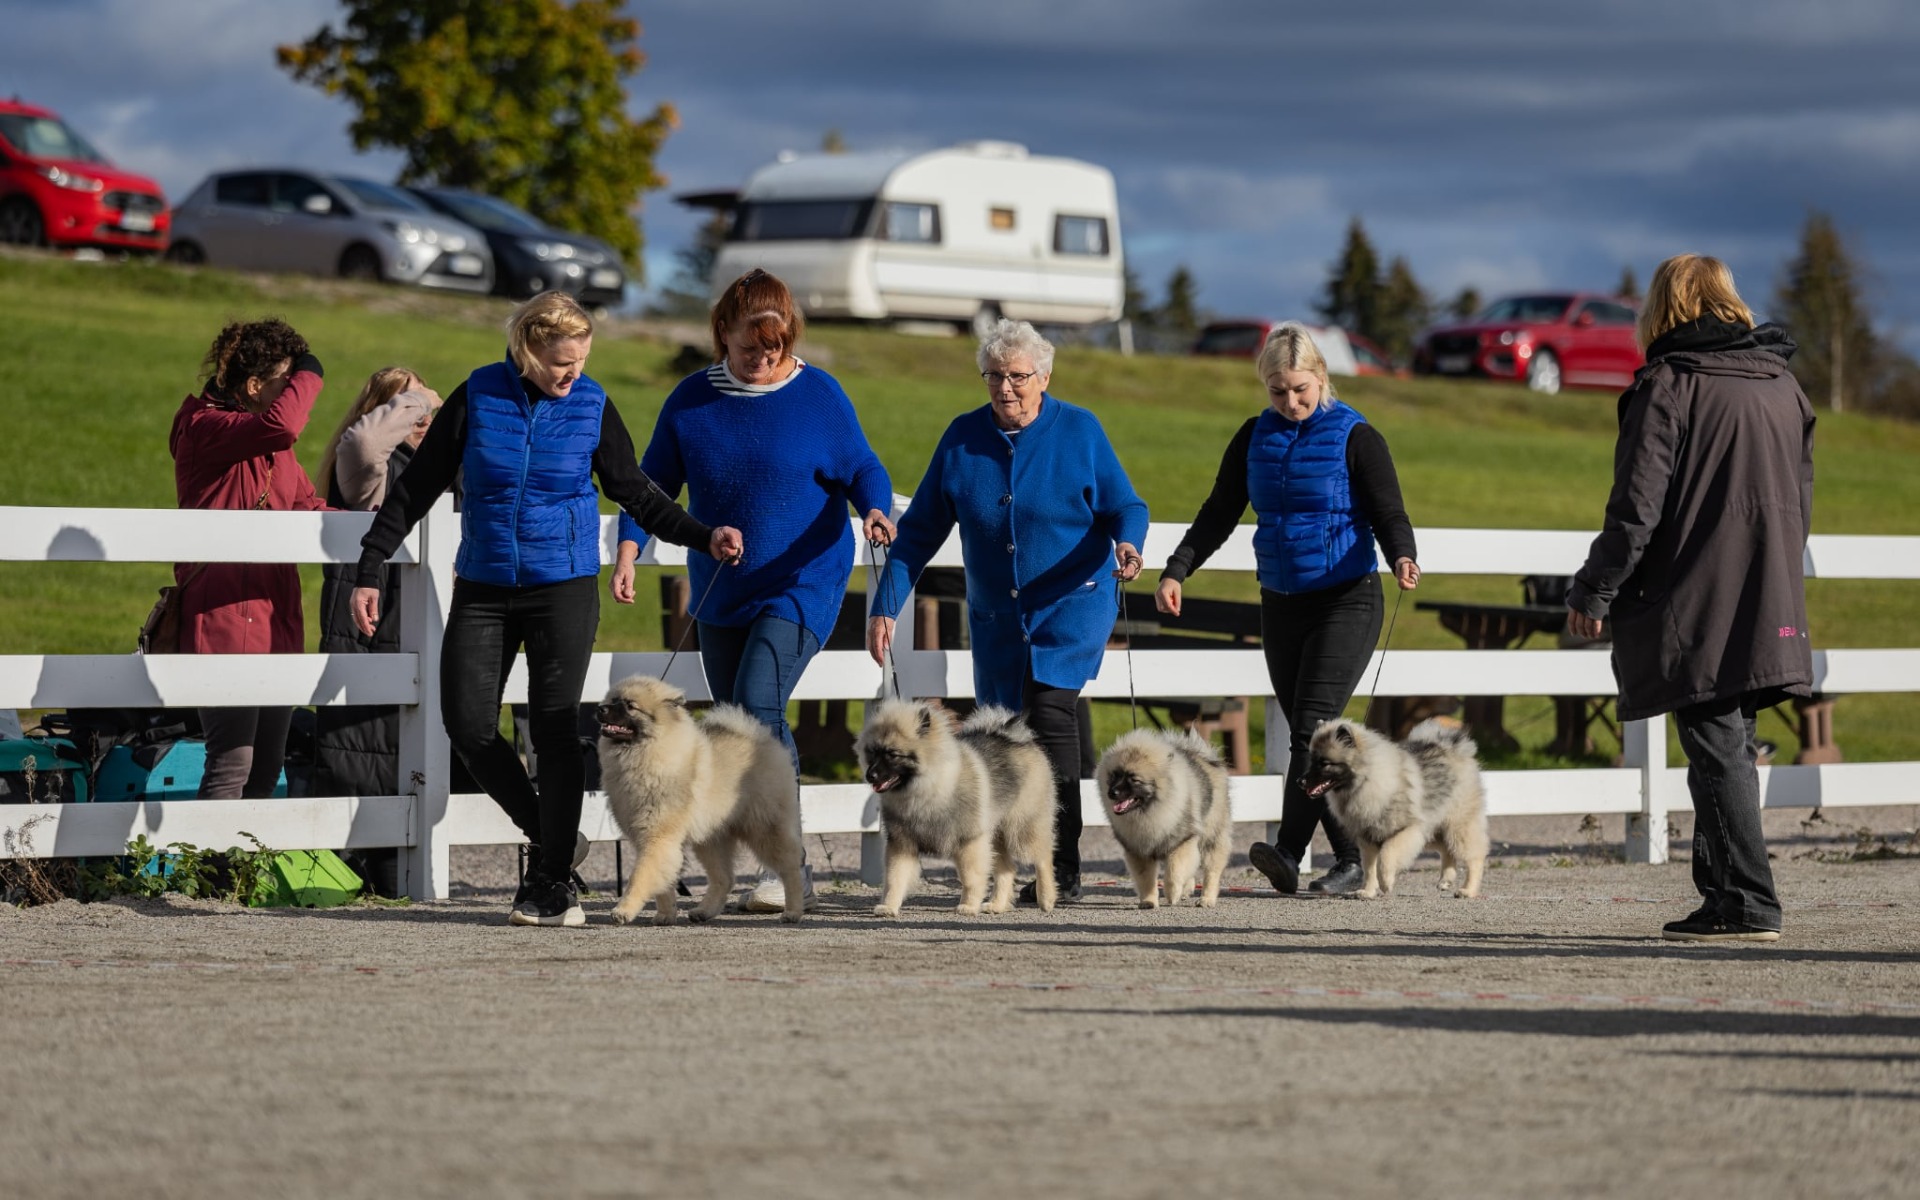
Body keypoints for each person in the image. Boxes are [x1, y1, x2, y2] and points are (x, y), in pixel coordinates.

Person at [351, 292, 744, 928]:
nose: (574, 374)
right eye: (563, 362)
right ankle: (554, 837)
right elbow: (416, 488)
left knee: (555, 730)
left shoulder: (591, 406)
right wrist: (370, 569)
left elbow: (636, 492)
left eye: (583, 360)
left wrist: (704, 535)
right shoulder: (478, 395)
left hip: (562, 586)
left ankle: (550, 881)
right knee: (469, 725)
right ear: (528, 351)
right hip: (483, 585)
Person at [612, 268, 894, 913]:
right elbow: (647, 487)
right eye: (750, 350)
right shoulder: (691, 401)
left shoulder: (818, 393)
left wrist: (875, 507)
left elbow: (863, 467)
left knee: (759, 707)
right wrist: (629, 551)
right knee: (731, 721)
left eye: (777, 349)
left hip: (804, 579)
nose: (765, 362)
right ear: (721, 336)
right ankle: (735, 865)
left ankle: (787, 868)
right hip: (720, 586)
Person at [1566, 254, 1813, 943]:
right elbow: (1802, 498)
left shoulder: (1671, 385)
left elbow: (1636, 506)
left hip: (1697, 589)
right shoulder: (1782, 385)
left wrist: (1596, 588)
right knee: (1730, 737)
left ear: (1663, 307)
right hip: (1769, 587)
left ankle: (1751, 902)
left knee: (1715, 741)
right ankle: (1724, 895)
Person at [867, 319, 1148, 903]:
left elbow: (1126, 505)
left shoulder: (1079, 431)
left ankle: (1061, 868)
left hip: (1072, 605)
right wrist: (886, 605)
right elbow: (916, 534)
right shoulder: (963, 439)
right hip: (998, 617)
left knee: (1049, 717)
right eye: (994, 377)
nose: (1006, 388)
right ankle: (1001, 869)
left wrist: (1128, 543)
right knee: (1000, 734)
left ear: (1044, 377)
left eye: (1018, 377)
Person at [1155, 323, 1419, 897]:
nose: (1291, 401)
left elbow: (1388, 511)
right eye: (1278, 391)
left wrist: (1403, 555)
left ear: (1321, 377)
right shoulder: (1255, 437)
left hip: (1346, 598)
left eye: (1300, 388)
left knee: (1309, 729)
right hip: (1281, 602)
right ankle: (1350, 858)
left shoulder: (1356, 436)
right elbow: (1220, 511)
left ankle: (1288, 852)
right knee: (1311, 738)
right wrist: (1177, 568)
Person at [169, 318, 329, 799]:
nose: (293, 393)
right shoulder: (204, 427)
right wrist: (314, 370)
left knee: (267, 768)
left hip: (274, 620)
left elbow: (309, 508)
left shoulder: (275, 453)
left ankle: (238, 876)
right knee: (231, 765)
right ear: (255, 386)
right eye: (288, 382)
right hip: (224, 620)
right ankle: (212, 876)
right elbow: (283, 424)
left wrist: (378, 525)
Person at [311, 368, 442, 894]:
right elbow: (366, 443)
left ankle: (396, 887)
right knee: (371, 772)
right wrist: (423, 395)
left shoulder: (434, 469)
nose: (424, 416)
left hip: (422, 638)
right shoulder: (371, 478)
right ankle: (384, 888)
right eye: (407, 408)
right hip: (373, 641)